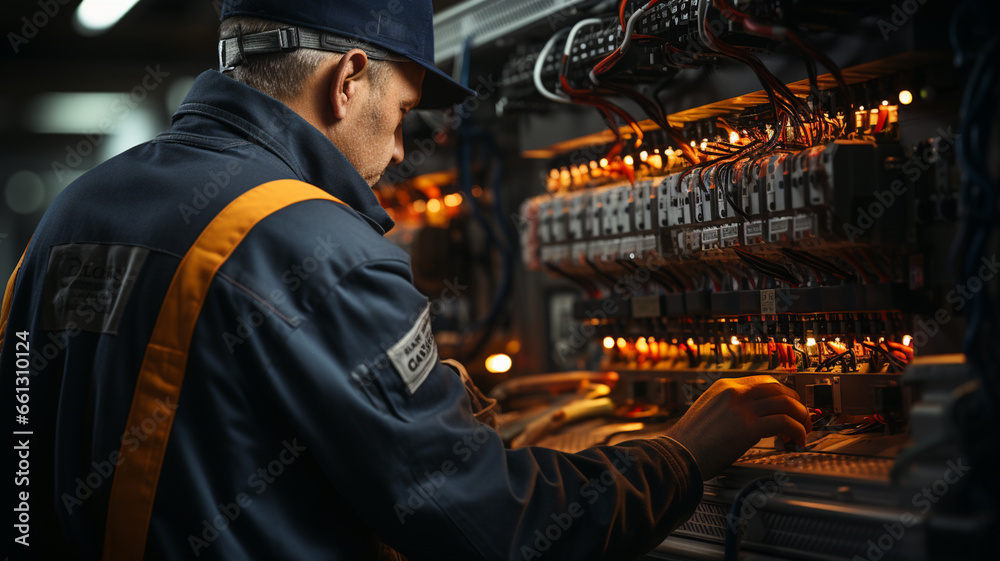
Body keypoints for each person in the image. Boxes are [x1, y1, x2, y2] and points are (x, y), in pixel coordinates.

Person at [0, 1, 812, 559]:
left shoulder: (71, 214)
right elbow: (493, 526)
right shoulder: (316, 243)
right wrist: (679, 455)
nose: (398, 152)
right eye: (402, 116)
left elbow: (29, 474)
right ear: (348, 78)